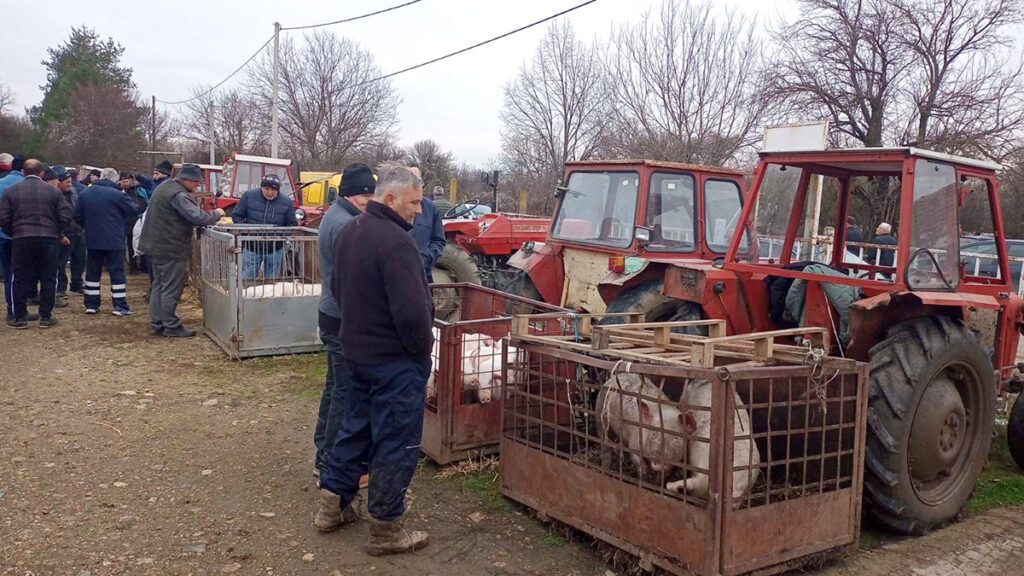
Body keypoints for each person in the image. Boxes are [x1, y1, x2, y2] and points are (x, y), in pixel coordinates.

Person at [318, 162, 432, 555]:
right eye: (414, 202)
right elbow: (413, 314)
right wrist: (421, 355)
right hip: (394, 362)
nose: (418, 210)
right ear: (391, 198)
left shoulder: (350, 231)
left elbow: (337, 287)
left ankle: (331, 506)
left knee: (355, 429)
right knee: (395, 441)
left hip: (357, 353)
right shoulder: (398, 244)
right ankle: (386, 528)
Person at [313, 163, 376, 480]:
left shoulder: (338, 216)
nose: (370, 200)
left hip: (332, 312)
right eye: (366, 194)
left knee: (334, 386)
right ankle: (332, 461)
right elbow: (349, 280)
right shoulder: (344, 225)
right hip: (341, 316)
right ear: (352, 194)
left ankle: (323, 452)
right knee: (345, 392)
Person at [138, 164, 224, 337]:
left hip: (155, 245)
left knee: (158, 285)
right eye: (195, 182)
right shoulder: (178, 194)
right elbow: (198, 217)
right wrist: (217, 213)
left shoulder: (165, 187)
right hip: (170, 247)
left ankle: (157, 323)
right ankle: (170, 325)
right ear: (186, 179)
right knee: (171, 287)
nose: (197, 186)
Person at [0, 159, 72, 328]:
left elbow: (3, 218)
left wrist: (13, 232)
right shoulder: (53, 192)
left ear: (23, 172)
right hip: (48, 239)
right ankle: (46, 316)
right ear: (41, 173)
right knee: (48, 277)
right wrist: (57, 231)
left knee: (19, 278)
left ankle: (19, 317)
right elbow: (66, 215)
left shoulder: (10, 191)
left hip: (21, 238)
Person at [76, 168, 142, 316]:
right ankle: (120, 305)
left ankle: (91, 304)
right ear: (114, 179)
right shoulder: (117, 194)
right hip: (114, 239)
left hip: (92, 238)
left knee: (92, 272)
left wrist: (87, 227)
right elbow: (134, 209)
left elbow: (77, 215)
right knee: (117, 272)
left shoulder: (84, 193)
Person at [230, 173, 297, 279]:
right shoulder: (248, 196)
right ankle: (245, 295)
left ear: (278, 189)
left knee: (271, 283)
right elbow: (236, 215)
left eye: (274, 190)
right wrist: (246, 231)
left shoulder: (286, 202)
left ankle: (267, 296)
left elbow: (292, 224)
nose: (270, 193)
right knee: (247, 279)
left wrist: (279, 236)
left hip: (275, 248)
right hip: (251, 246)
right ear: (261, 187)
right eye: (266, 189)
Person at [407, 166, 445, 281]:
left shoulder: (430, 208)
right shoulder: (396, 206)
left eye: (417, 180)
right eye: (410, 179)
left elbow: (439, 240)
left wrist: (427, 257)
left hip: (424, 274)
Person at [0, 155, 26, 320]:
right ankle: (15, 312)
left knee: (9, 273)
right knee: (18, 274)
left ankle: (13, 309)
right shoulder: (25, 186)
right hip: (19, 235)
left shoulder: (1, 183)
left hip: (3, 234)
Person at [54, 166, 86, 297]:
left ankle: (77, 284)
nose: (70, 184)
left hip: (78, 231)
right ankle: (61, 288)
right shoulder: (55, 195)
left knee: (80, 259)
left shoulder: (74, 192)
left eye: (70, 181)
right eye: (67, 182)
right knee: (61, 262)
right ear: (59, 182)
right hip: (64, 233)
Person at [119, 172, 149, 273]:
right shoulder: (120, 193)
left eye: (127, 181)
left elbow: (145, 203)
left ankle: (143, 266)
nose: (126, 183)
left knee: (141, 243)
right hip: (128, 222)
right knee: (130, 244)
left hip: (138, 220)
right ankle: (133, 266)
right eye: (124, 181)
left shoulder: (139, 191)